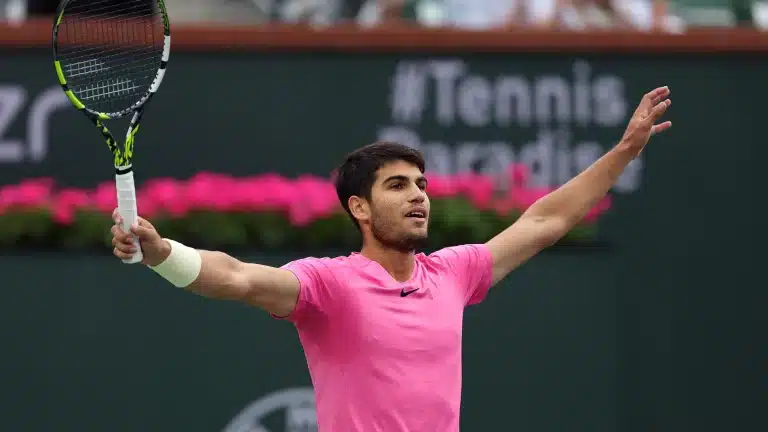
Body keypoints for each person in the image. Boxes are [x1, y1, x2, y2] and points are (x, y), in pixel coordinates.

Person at [110, 86, 672, 431]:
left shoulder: (454, 273)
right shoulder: (329, 284)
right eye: (398, 186)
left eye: (421, 184)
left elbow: (544, 221)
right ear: (359, 207)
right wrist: (163, 253)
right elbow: (237, 278)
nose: (418, 195)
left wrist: (624, 151)